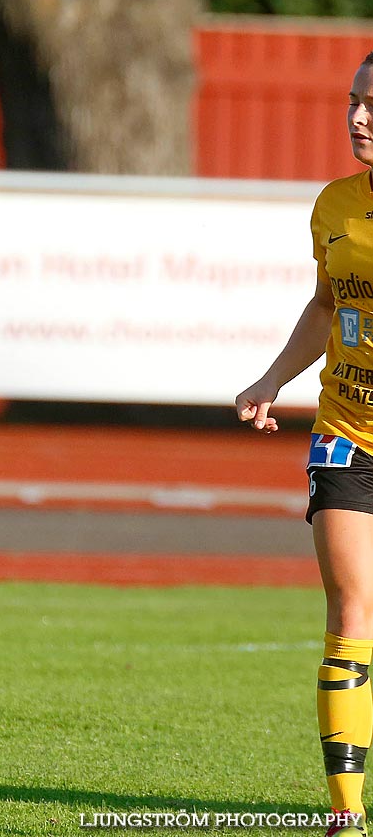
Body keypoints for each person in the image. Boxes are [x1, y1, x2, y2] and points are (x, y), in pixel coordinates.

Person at [236, 51, 373, 837]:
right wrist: (270, 379)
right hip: (346, 435)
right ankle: (343, 814)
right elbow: (324, 306)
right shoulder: (332, 207)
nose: (357, 118)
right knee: (350, 606)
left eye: (372, 106)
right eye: (353, 101)